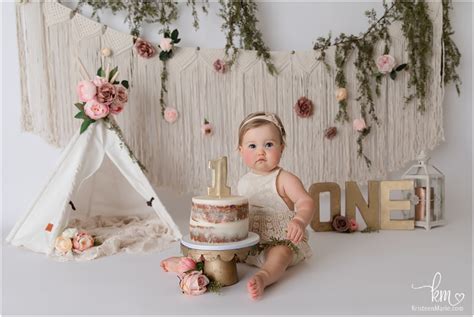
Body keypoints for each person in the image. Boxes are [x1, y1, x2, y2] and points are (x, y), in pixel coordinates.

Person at [237, 111, 314, 300]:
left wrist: (299, 221)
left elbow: (306, 201)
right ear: (241, 151)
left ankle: (264, 277)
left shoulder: (284, 179)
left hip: (280, 240)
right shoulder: (243, 182)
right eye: (252, 146)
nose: (260, 151)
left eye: (269, 145)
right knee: (222, 249)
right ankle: (191, 265)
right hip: (250, 241)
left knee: (281, 254)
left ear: (282, 148)